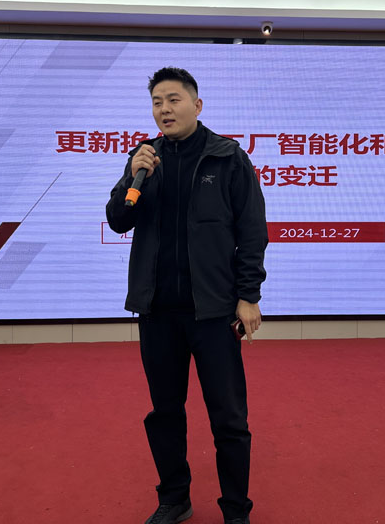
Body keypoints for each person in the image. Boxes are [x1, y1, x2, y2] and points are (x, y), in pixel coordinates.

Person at [106, 67, 268, 524]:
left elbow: (252, 231)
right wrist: (133, 177)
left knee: (229, 418)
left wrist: (248, 295)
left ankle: (235, 509)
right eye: (157, 102)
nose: (165, 109)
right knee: (165, 412)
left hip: (213, 313)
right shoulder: (144, 159)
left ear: (196, 105)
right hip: (158, 311)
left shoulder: (228, 158)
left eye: (174, 100)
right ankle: (174, 498)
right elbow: (118, 219)